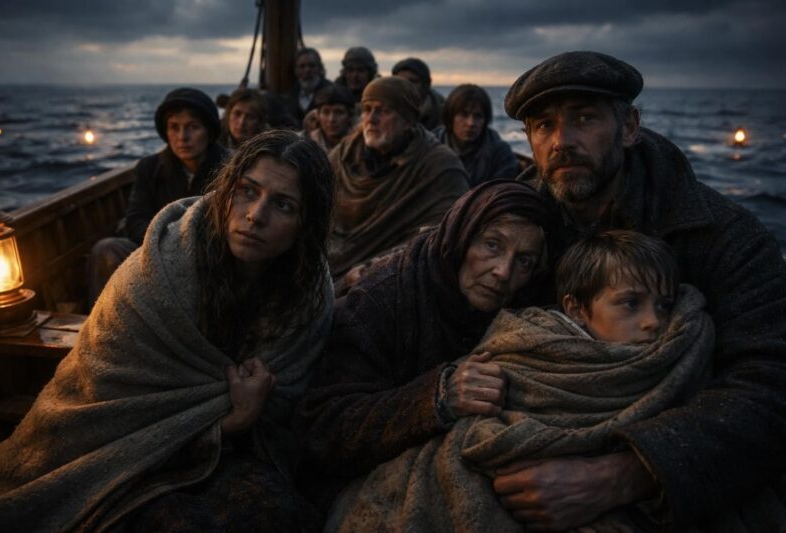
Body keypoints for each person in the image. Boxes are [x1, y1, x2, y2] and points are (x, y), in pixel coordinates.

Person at [493, 50, 786, 530]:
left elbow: (771, 388)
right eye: (543, 126)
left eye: (584, 119)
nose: (562, 142)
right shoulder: (513, 226)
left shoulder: (723, 237)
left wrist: (625, 475)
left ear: (629, 127)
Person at [0, 131, 336, 532]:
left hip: (231, 452)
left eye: (283, 204)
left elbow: (292, 407)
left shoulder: (308, 295)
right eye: (246, 191)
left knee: (280, 515)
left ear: (304, 225)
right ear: (225, 192)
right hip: (107, 450)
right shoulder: (162, 273)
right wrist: (232, 420)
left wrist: (252, 414)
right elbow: (105, 394)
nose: (256, 214)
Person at [322, 229, 723, 531]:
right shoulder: (527, 351)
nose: (654, 322)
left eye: (664, 306)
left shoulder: (678, 356)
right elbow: (484, 434)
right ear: (577, 309)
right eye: (630, 304)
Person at [298, 180, 553, 514]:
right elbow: (323, 430)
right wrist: (436, 396)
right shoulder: (380, 300)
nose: (503, 272)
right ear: (460, 238)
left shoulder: (519, 309)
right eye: (492, 245)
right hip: (354, 483)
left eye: (524, 261)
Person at [87, 87, 228, 307]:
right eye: (174, 127)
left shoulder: (230, 168)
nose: (183, 137)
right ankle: (99, 327)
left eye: (193, 127)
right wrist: (164, 247)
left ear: (208, 131)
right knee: (106, 250)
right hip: (156, 252)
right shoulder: (149, 167)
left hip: (207, 257)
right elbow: (135, 220)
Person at [326, 76, 469, 289]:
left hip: (389, 279)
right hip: (327, 265)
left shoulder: (440, 166)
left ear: (407, 120)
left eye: (383, 111)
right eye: (366, 109)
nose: (371, 119)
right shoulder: (344, 155)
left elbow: (440, 237)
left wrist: (374, 268)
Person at [433, 83, 519, 187]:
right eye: (464, 115)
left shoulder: (500, 153)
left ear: (485, 120)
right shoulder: (432, 146)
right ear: (451, 117)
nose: (471, 123)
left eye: (478, 116)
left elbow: (502, 192)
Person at [392, 57, 445, 130]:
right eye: (400, 81)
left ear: (426, 84)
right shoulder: (384, 110)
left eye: (413, 81)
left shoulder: (443, 113)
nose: (406, 85)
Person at [303, 84, 355, 153]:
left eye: (339, 112)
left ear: (350, 116)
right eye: (326, 112)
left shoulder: (359, 145)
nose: (331, 119)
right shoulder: (307, 144)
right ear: (317, 115)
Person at [287, 47, 333, 125]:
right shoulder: (290, 95)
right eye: (302, 66)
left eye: (312, 66)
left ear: (320, 68)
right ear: (296, 70)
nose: (307, 70)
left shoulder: (332, 92)